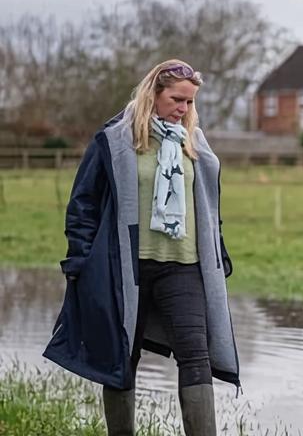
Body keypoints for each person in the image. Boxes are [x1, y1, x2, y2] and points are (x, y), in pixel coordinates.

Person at [43, 59, 239, 436]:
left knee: (195, 356)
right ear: (153, 93)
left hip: (183, 267)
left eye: (190, 102)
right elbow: (83, 204)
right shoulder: (115, 140)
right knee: (122, 357)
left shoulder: (193, 140)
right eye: (177, 99)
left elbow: (208, 206)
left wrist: (220, 250)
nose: (183, 108)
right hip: (126, 268)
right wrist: (79, 263)